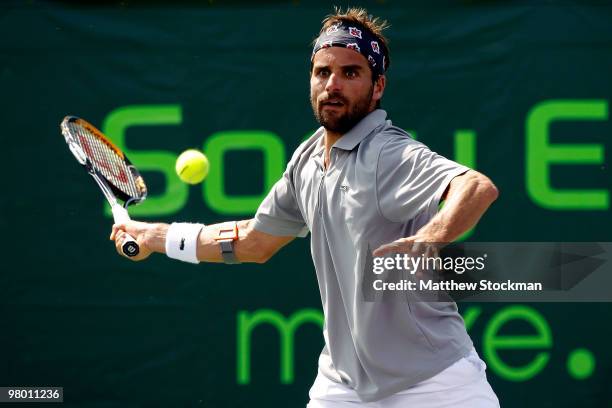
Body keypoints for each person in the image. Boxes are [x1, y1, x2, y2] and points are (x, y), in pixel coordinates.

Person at [111, 7, 500, 408]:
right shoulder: (307, 159)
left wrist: (431, 237)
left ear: (377, 85)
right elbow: (254, 243)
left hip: (434, 382)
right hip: (343, 384)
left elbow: (475, 186)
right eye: (322, 72)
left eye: (351, 73)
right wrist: (156, 237)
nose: (333, 84)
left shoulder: (388, 153)